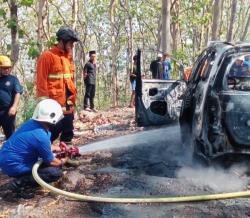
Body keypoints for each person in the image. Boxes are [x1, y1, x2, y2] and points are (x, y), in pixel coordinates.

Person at [0, 99, 67, 199]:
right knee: (54, 173)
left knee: (46, 166)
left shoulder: (33, 124)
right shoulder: (40, 136)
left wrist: (55, 148)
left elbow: (38, 144)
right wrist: (62, 161)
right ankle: (17, 184)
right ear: (53, 117)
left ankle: (22, 177)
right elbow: (52, 161)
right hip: (13, 165)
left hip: (7, 159)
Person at [36, 26, 79, 144]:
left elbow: (69, 80)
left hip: (68, 103)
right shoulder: (47, 56)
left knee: (68, 131)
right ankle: (43, 154)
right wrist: (44, 104)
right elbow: (41, 81)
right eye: (70, 43)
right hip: (53, 104)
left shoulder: (67, 58)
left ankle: (67, 155)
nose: (72, 46)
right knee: (53, 131)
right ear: (62, 41)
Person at [0, 55, 23, 139]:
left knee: (11, 136)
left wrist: (14, 107)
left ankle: (12, 151)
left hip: (8, 112)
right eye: (4, 68)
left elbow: (18, 93)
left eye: (8, 68)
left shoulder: (13, 79)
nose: (7, 70)